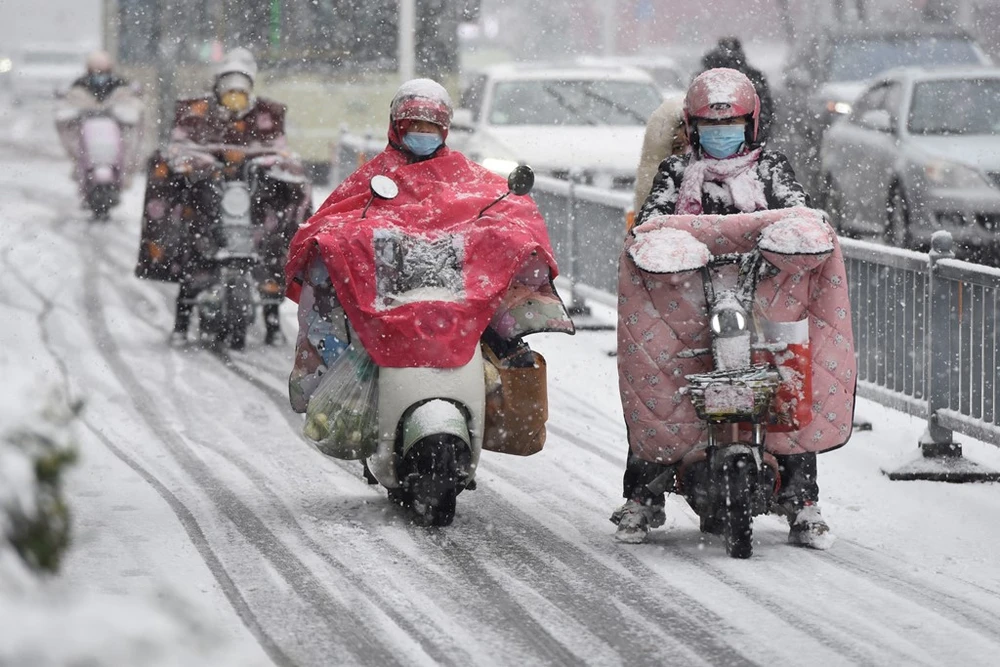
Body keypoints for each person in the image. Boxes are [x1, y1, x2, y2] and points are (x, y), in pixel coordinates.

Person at [284, 79, 573, 455]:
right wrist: (341, 242)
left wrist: (506, 238)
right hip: (388, 294)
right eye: (414, 125)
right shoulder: (374, 177)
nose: (422, 133)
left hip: (454, 292)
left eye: (431, 126)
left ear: (445, 129)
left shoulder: (465, 175)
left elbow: (505, 208)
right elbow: (337, 217)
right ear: (397, 126)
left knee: (506, 348)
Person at [612, 68, 835, 548]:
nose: (720, 135)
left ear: (751, 124)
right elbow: (652, 225)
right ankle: (642, 495)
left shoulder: (771, 168)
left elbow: (800, 216)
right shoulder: (675, 172)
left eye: (730, 125)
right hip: (690, 301)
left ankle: (803, 500)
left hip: (763, 297)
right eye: (710, 128)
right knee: (658, 381)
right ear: (692, 128)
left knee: (788, 380)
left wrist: (792, 236)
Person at [135, 47, 310, 348]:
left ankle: (272, 319)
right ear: (217, 86)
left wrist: (270, 170)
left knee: (278, 235)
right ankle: (182, 321)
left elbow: (279, 152)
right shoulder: (195, 113)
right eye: (228, 86)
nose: (234, 94)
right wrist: (200, 169)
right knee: (192, 240)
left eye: (240, 88)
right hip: (206, 199)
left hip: (254, 201)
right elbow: (179, 147)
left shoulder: (267, 114)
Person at [55, 50, 143, 194]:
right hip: (88, 134)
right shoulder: (79, 86)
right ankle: (80, 167)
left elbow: (132, 104)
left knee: (130, 140)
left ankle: (125, 171)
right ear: (89, 70)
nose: (99, 75)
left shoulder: (119, 85)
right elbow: (68, 104)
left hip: (114, 133)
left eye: (103, 71)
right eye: (96, 71)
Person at [700, 37, 775, 141]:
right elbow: (765, 109)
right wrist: (757, 138)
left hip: (707, 139)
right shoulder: (753, 76)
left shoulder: (704, 78)